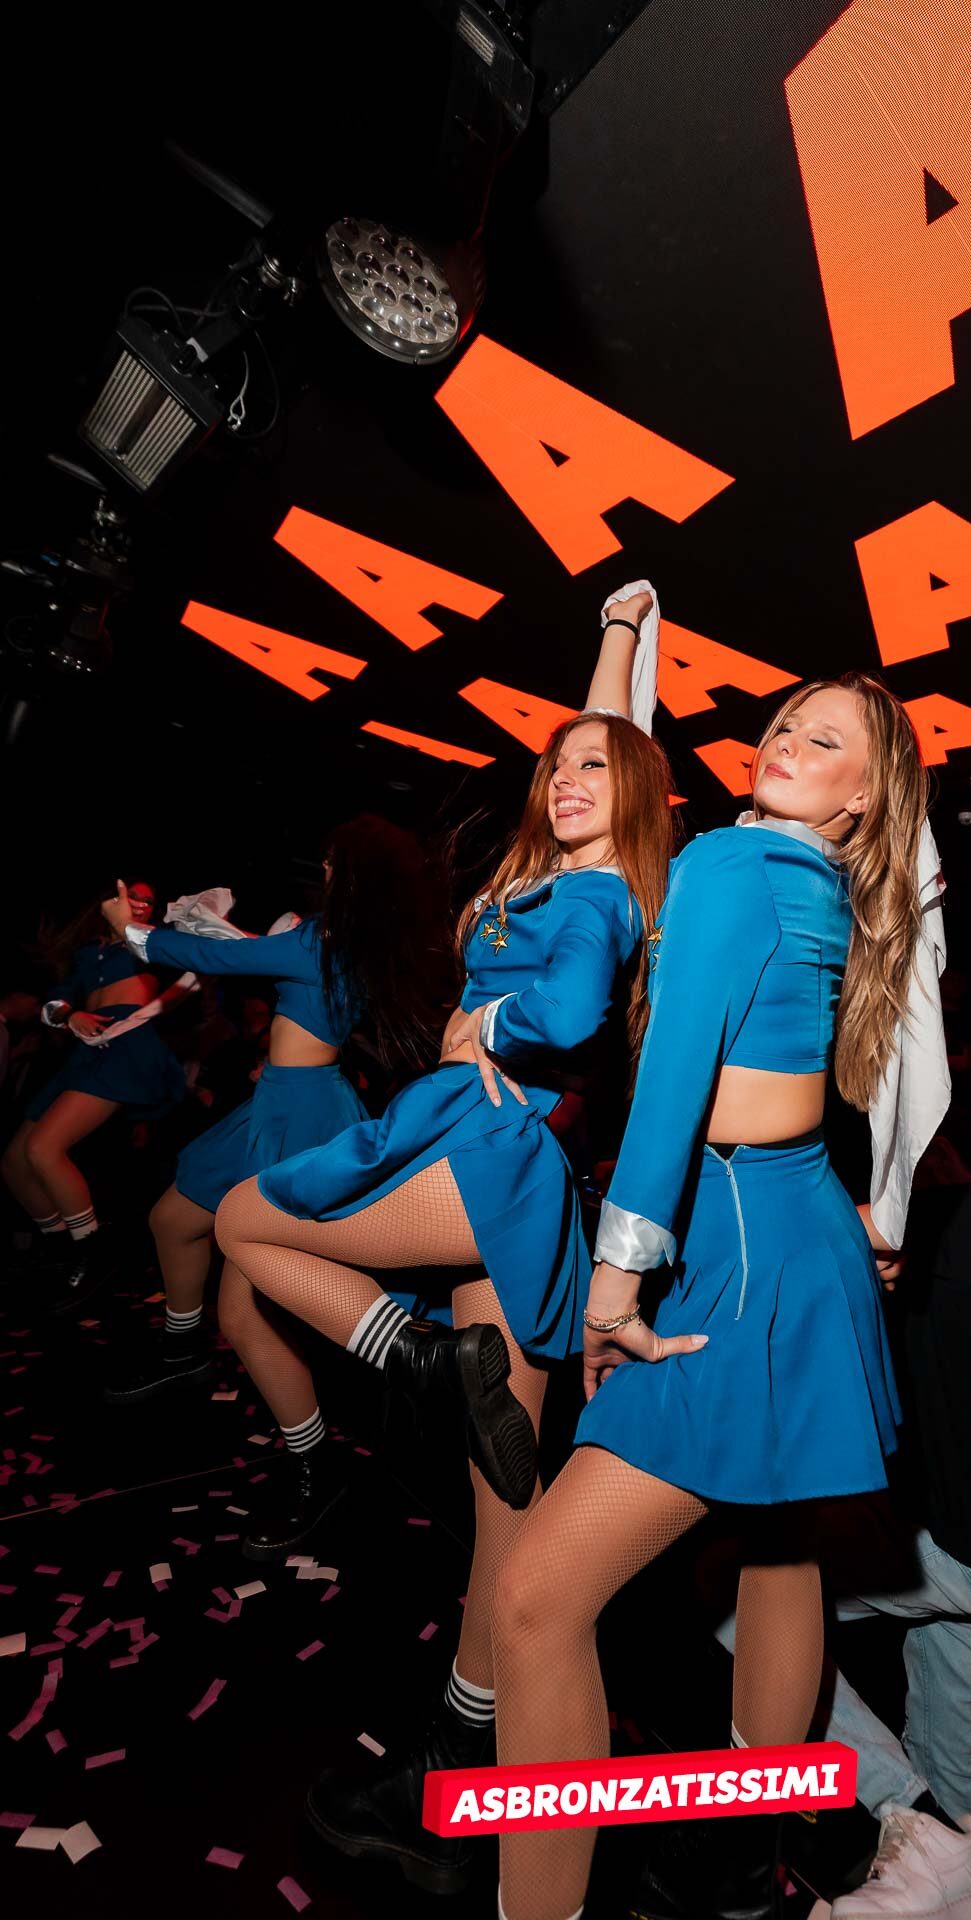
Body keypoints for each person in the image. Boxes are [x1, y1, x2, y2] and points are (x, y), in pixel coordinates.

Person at [213, 590, 674, 1891]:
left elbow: (571, 1006)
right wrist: (617, 637)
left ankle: (411, 1357)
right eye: (557, 767)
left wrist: (498, 1025)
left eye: (596, 772)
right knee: (504, 1509)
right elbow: (598, 745)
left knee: (244, 1218)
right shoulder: (559, 867)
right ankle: (461, 1752)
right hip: (520, 1182)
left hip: (483, 1151)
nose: (570, 778)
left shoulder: (597, 893)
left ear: (637, 800)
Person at [488, 671, 948, 1920]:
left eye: (825, 740)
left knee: (532, 1602)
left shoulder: (735, 865)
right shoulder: (824, 881)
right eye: (784, 725)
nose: (786, 742)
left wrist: (615, 1279)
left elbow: (675, 1077)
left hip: (737, 1248)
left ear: (866, 796)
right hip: (800, 1230)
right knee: (777, 1547)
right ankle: (751, 1849)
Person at [755, 1128, 971, 1920]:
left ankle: (902, 1803)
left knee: (742, 1602)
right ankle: (966, 1897)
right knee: (946, 1749)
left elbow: (813, 1226)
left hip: (953, 1549)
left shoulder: (956, 1230)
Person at [99, 817, 436, 1416]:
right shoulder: (344, 940)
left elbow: (217, 956)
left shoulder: (323, 941)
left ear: (354, 872)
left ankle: (314, 1443)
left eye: (333, 859)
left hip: (301, 1114)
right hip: (282, 1100)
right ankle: (184, 1352)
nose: (324, 867)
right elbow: (253, 952)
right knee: (173, 1220)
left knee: (246, 1309)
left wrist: (129, 929)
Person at [0, 878, 192, 1311]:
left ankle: (94, 1252)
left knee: (43, 1149)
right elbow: (56, 1002)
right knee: (14, 1160)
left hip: (126, 1045)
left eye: (148, 900)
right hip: (86, 1048)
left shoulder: (153, 941)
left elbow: (195, 960)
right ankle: (60, 1249)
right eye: (133, 896)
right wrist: (70, 1015)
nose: (141, 903)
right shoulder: (88, 952)